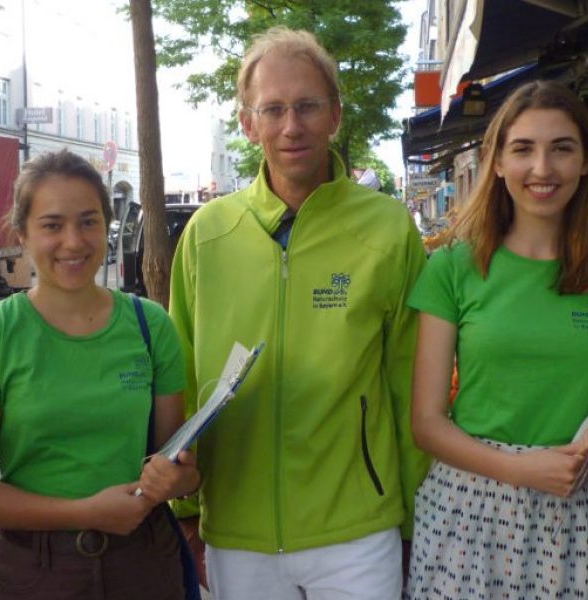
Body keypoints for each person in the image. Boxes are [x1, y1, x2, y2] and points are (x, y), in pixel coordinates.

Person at [168, 27, 429, 598]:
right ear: (247, 122)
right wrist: (186, 506)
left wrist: (415, 520)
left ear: (334, 114)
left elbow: (409, 384)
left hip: (358, 532)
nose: (292, 126)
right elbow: (183, 377)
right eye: (274, 109)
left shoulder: (387, 229)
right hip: (239, 535)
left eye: (308, 106)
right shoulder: (208, 234)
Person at [406, 80, 588, 598]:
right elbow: (427, 424)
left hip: (584, 513)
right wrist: (521, 469)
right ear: (497, 162)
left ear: (586, 162)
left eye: (562, 149)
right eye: (523, 149)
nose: (542, 169)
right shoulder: (453, 270)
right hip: (470, 509)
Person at [0, 149, 200, 600]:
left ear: (106, 225)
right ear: (22, 234)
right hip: (37, 570)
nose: (73, 241)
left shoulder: (150, 324)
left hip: (143, 561)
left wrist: (176, 478)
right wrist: (85, 511)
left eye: (88, 221)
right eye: (52, 225)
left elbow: (179, 461)